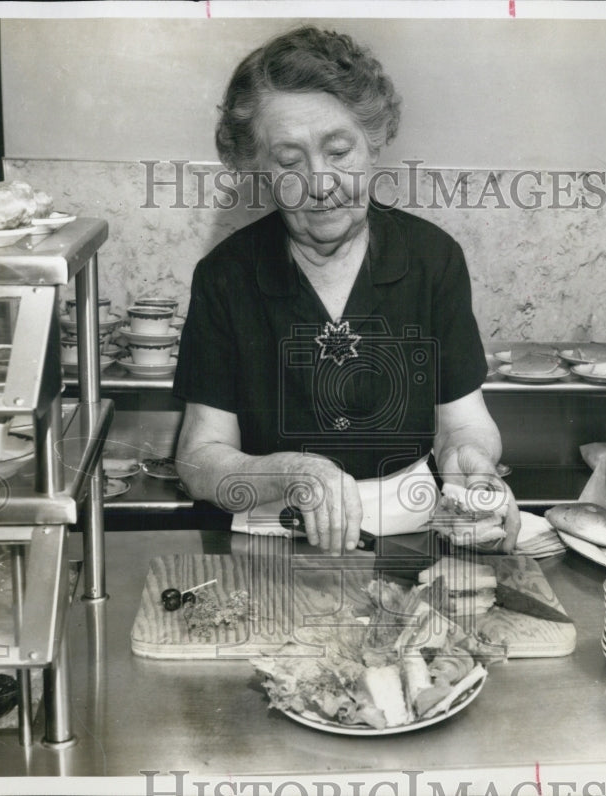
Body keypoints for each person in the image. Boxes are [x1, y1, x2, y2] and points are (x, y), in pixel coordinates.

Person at [174, 25, 519, 553]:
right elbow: (200, 457)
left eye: (338, 151)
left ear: (374, 144)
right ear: (259, 171)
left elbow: (462, 425)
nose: (319, 180)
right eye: (289, 161)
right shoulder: (226, 276)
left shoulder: (433, 259)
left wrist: (470, 465)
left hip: (415, 538)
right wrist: (290, 473)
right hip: (271, 537)